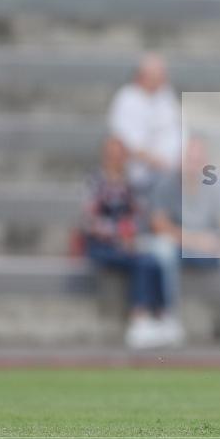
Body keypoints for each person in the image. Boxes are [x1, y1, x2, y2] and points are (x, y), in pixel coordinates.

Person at [147, 134, 220, 348]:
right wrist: (194, 240)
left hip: (210, 248)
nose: (193, 164)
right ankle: (168, 319)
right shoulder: (167, 184)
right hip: (180, 246)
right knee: (161, 250)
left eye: (198, 159)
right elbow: (159, 224)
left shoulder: (214, 185)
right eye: (189, 158)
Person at [81, 137, 176, 349]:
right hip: (101, 245)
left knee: (152, 260)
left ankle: (161, 314)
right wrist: (117, 234)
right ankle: (139, 317)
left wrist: (129, 233)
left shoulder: (128, 184)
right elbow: (89, 220)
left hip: (126, 243)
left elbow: (138, 213)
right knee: (141, 263)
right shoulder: (95, 181)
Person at [107, 53, 181, 195]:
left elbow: (178, 128)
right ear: (142, 76)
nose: (163, 80)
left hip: (174, 171)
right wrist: (165, 165)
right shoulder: (127, 99)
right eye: (158, 76)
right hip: (143, 175)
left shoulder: (165, 95)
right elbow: (129, 145)